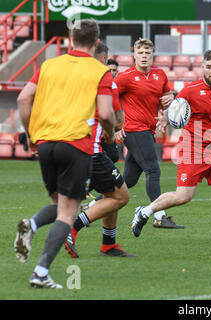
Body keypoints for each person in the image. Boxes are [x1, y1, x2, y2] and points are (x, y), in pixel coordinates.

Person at [14, 19, 115, 288]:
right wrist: (111, 132)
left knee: (61, 204)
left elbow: (23, 98)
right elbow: (105, 112)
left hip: (46, 143)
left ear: (71, 40)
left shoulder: (49, 64)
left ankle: (32, 225)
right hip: (75, 144)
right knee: (67, 214)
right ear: (96, 43)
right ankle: (40, 272)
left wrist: (32, 135)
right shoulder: (99, 70)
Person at [130, 49, 211, 246]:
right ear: (202, 67)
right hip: (192, 149)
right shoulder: (190, 90)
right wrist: (166, 118)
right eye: (209, 67)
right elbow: (175, 113)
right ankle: (144, 212)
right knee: (183, 196)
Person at [63, 41, 134, 258]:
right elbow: (118, 121)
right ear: (104, 59)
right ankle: (73, 226)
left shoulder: (73, 79)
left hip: (67, 147)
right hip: (90, 151)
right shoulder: (105, 80)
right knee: (121, 197)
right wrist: (111, 129)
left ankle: (108, 244)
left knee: (111, 192)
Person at [114, 38, 183, 229]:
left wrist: (170, 102)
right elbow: (109, 97)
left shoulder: (160, 75)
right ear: (134, 55)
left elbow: (164, 102)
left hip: (148, 130)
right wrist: (116, 125)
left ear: (153, 55)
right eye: (140, 52)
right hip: (134, 129)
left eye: (147, 53)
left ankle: (94, 206)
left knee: (129, 179)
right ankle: (159, 216)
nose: (144, 56)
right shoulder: (125, 77)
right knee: (153, 170)